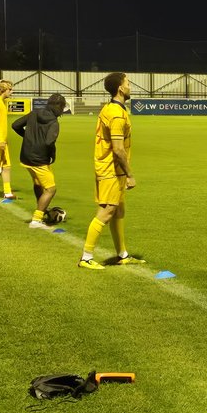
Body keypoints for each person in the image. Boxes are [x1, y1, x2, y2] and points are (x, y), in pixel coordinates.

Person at [79, 72, 145, 270]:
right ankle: (86, 257)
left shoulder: (112, 109)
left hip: (112, 169)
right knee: (107, 211)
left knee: (118, 210)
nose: (130, 87)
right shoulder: (116, 114)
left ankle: (122, 254)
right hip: (111, 170)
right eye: (128, 83)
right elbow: (118, 149)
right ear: (120, 88)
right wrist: (130, 174)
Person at [13, 93, 68, 230]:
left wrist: (27, 137)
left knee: (38, 183)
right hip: (39, 159)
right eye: (62, 107)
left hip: (25, 157)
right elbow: (49, 141)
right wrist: (53, 153)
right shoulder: (53, 122)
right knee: (50, 189)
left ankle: (42, 209)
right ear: (59, 106)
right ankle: (36, 220)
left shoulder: (34, 113)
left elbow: (15, 125)